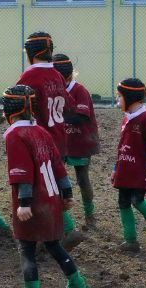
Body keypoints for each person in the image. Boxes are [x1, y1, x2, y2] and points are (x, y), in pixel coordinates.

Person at [0, 85, 93, 288]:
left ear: (10, 110)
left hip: (33, 203)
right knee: (55, 247)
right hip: (52, 202)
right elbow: (59, 167)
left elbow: (23, 172)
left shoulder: (15, 135)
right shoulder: (42, 132)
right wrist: (68, 194)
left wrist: (24, 203)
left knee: (27, 250)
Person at [15, 31, 84, 251]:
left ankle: (60, 232)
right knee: (53, 187)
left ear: (30, 53)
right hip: (59, 141)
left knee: (41, 189)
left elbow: (14, 104)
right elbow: (70, 104)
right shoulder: (56, 75)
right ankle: (57, 232)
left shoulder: (30, 77)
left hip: (39, 143)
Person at [113, 78, 146, 252]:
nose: (117, 101)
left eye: (119, 97)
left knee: (137, 200)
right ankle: (131, 241)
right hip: (124, 170)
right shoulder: (126, 118)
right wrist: (115, 168)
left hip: (139, 171)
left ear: (130, 97)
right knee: (123, 202)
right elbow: (122, 147)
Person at [53, 54, 100, 231]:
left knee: (82, 178)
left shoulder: (80, 91)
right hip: (62, 140)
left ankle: (90, 214)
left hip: (81, 140)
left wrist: (57, 117)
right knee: (57, 176)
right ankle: (60, 215)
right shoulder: (56, 91)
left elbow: (81, 116)